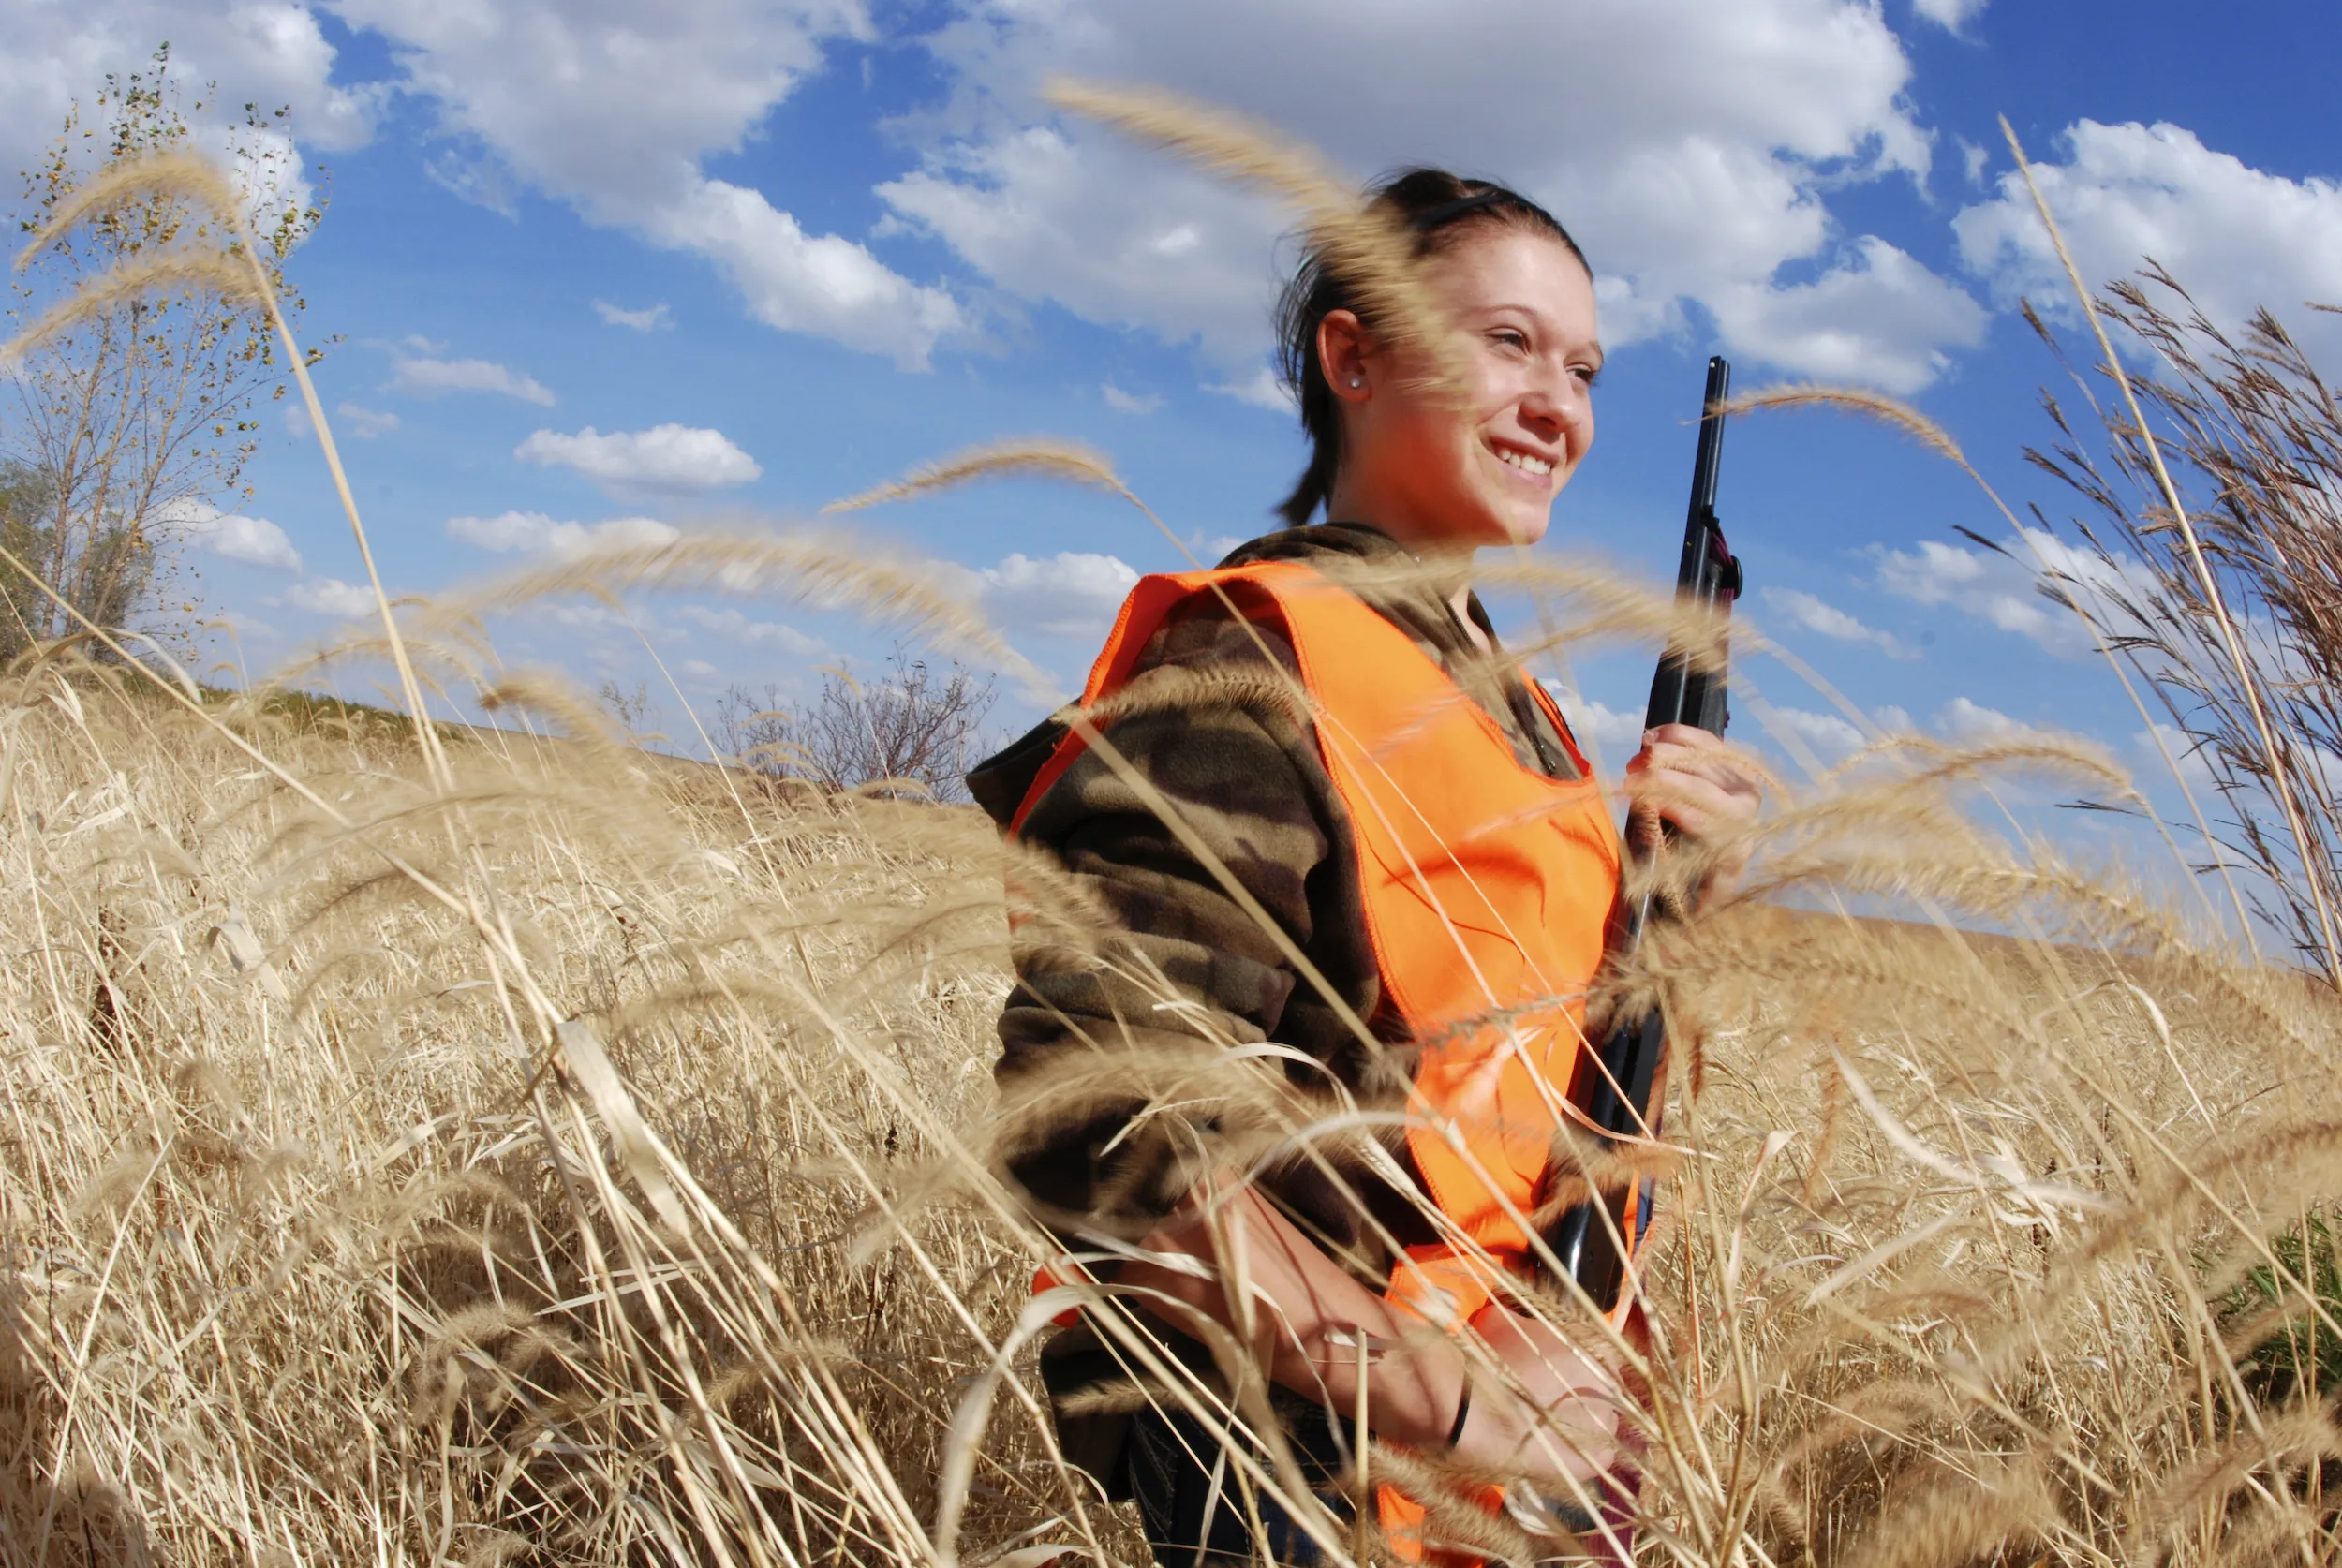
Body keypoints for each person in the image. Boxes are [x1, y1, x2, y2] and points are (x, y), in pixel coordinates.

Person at [968, 168, 1762, 1564]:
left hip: (1512, 1453)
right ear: (1354, 356)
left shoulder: (1514, 712)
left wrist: (1664, 901)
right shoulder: (1250, 668)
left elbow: (1505, 1067)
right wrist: (1450, 1398)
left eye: (1582, 367)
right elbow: (1091, 1120)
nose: (1557, 405)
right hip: (1306, 1473)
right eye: (1506, 343)